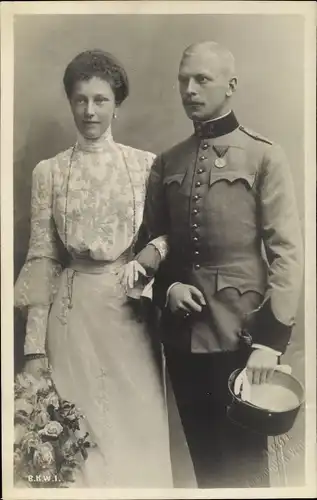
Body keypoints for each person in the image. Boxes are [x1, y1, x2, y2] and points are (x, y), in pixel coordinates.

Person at [131, 41, 304, 488]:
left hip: (243, 338)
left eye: (201, 79)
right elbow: (152, 244)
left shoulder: (265, 155)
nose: (189, 89)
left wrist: (271, 340)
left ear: (231, 86)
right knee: (207, 470)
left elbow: (286, 252)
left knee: (245, 474)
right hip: (185, 339)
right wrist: (167, 289)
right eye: (183, 80)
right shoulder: (168, 161)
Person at [14, 49, 176, 488]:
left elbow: (171, 235)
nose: (90, 111)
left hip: (129, 314)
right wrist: (33, 350)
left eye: (100, 100)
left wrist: (149, 256)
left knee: (135, 428)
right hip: (71, 315)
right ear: (70, 102)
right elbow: (42, 255)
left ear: (116, 104)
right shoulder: (48, 172)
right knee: (76, 438)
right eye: (81, 99)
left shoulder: (146, 165)